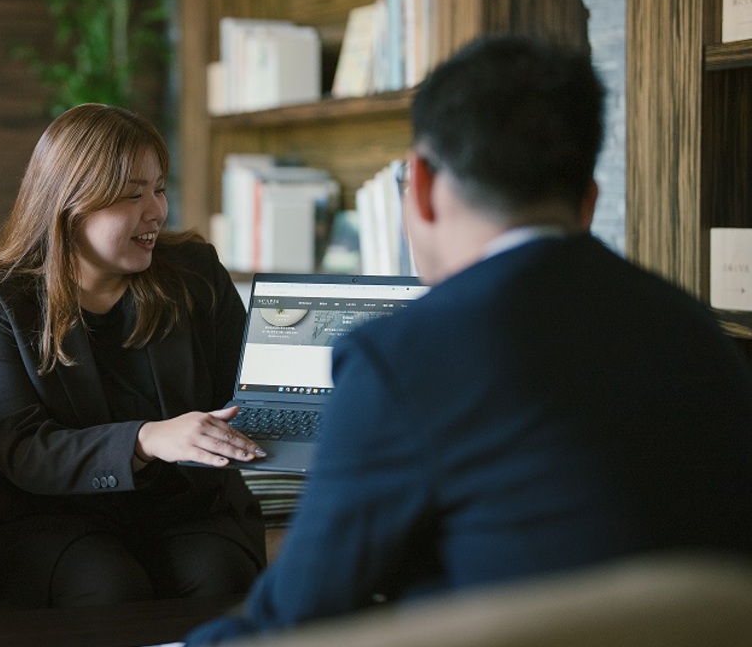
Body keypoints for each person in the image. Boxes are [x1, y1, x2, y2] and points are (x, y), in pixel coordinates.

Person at [184, 35, 752, 645]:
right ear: (588, 201)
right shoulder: (697, 329)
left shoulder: (405, 356)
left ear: (421, 186)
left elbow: (296, 617)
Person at [0, 103, 267, 611]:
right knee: (107, 586)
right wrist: (145, 439)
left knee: (217, 573)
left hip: (186, 505)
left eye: (159, 188)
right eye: (131, 194)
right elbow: (22, 448)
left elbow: (245, 393)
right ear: (71, 205)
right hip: (50, 513)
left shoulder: (194, 272)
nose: (156, 211)